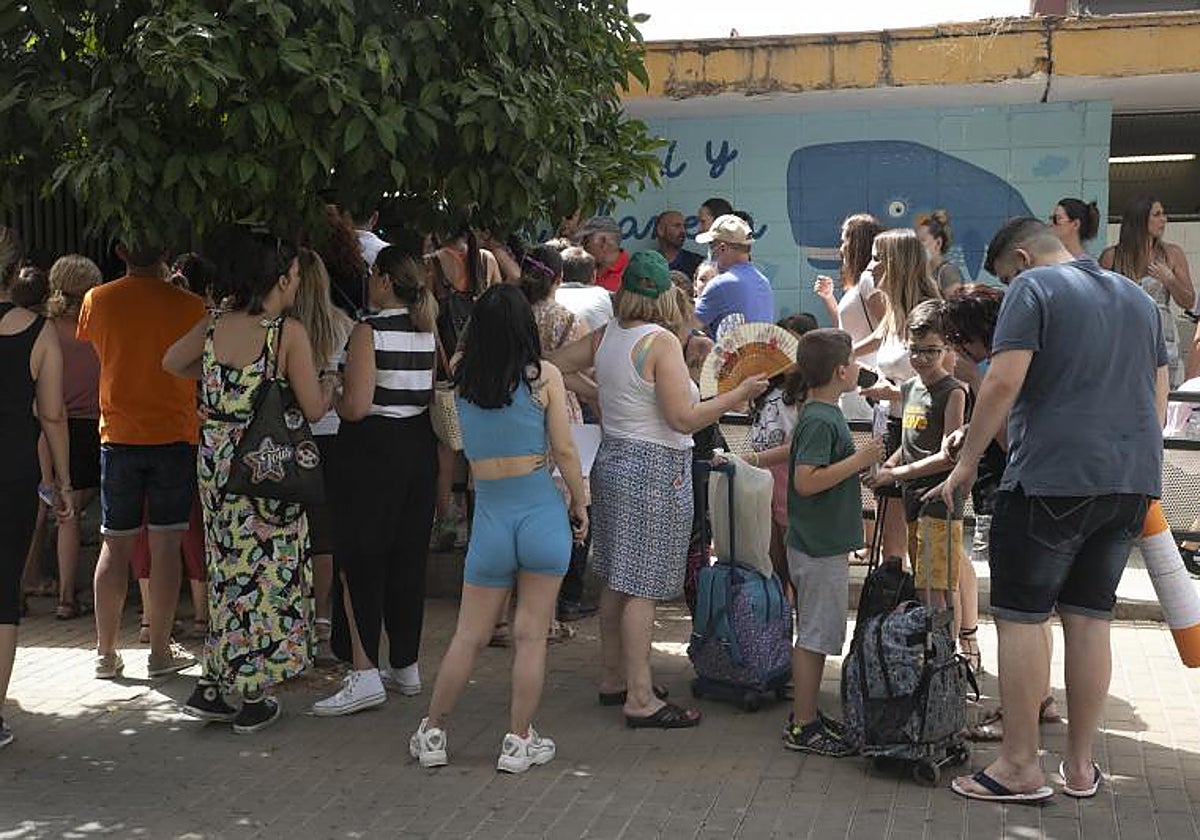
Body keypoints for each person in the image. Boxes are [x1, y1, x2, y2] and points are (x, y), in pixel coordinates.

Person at [939, 218, 1165, 803]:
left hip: (1051, 479)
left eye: (1008, 276)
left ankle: (1018, 766)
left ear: (1021, 257)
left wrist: (964, 466)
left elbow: (1002, 384)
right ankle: (1082, 766)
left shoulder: (1034, 289)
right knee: (1090, 619)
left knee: (1021, 617)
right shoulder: (1138, 298)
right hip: (1130, 480)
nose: (1008, 288)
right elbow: (1157, 394)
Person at [548, 251, 768, 728]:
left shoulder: (610, 334)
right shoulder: (660, 342)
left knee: (615, 579)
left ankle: (614, 680)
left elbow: (553, 365)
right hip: (655, 467)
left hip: (612, 461)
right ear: (666, 295)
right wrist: (736, 395)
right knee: (642, 587)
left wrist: (601, 393)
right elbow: (683, 418)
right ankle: (641, 697)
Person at [409, 284, 589, 772]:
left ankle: (433, 732)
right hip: (540, 513)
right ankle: (518, 739)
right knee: (531, 636)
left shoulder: (463, 376)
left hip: (490, 517)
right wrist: (582, 501)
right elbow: (567, 452)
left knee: (468, 634)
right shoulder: (544, 378)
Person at [163, 230, 327, 733]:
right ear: (280, 278)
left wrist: (216, 383)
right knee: (267, 574)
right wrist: (334, 389)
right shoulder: (285, 332)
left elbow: (170, 363)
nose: (298, 282)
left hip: (216, 461)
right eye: (295, 275)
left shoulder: (214, 324)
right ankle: (254, 692)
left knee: (226, 567)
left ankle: (213, 682)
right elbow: (315, 408)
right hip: (264, 463)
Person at [311, 242, 439, 715]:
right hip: (418, 448)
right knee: (407, 558)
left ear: (385, 279)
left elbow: (358, 407)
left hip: (372, 452)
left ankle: (363, 671)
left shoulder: (369, 331)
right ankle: (404, 664)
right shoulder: (426, 328)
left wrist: (336, 389)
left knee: (361, 560)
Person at [79, 239, 206, 680]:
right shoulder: (191, 305)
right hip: (173, 431)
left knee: (114, 544)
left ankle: (105, 652)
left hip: (119, 433)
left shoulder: (98, 299)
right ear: (163, 253)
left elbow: (97, 347)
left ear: (119, 250)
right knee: (167, 543)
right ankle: (158, 653)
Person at [942, 284, 1059, 729]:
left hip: (1014, 492)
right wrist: (972, 430)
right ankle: (1039, 698)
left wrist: (976, 382)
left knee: (1019, 613)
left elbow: (1015, 441)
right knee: (1036, 611)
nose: (955, 350)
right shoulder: (1017, 360)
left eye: (957, 339)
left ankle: (1021, 711)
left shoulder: (1000, 367)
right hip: (1024, 490)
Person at [783, 328, 883, 755]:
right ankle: (803, 724)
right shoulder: (821, 418)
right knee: (816, 634)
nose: (858, 367)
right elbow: (806, 482)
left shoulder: (822, 412)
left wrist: (852, 466)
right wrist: (859, 460)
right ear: (842, 371)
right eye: (853, 361)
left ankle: (806, 715)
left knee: (819, 632)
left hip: (821, 541)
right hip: (816, 544)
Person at [0, 227, 73, 748]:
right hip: (13, 471)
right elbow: (52, 416)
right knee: (4, 592)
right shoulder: (38, 332)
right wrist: (63, 482)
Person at [870, 301, 967, 611]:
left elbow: (947, 456)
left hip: (939, 500)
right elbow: (911, 438)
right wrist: (891, 462)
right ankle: (928, 649)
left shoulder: (952, 391)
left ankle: (940, 653)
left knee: (934, 588)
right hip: (912, 496)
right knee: (922, 580)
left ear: (947, 348)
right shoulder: (910, 386)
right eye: (915, 350)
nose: (921, 358)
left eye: (931, 351)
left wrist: (896, 473)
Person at [855, 229, 942, 563]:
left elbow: (943, 389)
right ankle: (906, 608)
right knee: (897, 536)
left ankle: (954, 615)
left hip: (923, 434)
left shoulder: (929, 314)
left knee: (933, 541)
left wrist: (887, 391)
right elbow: (864, 346)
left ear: (896, 263)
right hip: (892, 428)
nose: (870, 267)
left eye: (877, 258)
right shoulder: (894, 311)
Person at [290, 248, 354, 664]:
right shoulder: (344, 326)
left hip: (289, 439)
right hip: (333, 438)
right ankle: (321, 619)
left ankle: (292, 618)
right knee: (326, 535)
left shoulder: (280, 329)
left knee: (291, 530)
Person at [42, 255, 103, 619]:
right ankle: (83, 596)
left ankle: (58, 595)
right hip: (93, 424)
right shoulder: (98, 326)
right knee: (88, 515)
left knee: (58, 511)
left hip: (54, 427)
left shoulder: (45, 328)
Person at [744, 313, 819, 596]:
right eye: (780, 345)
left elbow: (799, 446)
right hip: (763, 488)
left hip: (792, 488)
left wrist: (755, 460)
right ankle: (778, 636)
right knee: (772, 568)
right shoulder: (765, 390)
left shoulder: (810, 395)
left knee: (797, 571)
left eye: (795, 346)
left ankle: (802, 635)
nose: (787, 354)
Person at [1101, 196, 1194, 388]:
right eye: (1157, 215)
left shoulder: (1172, 254)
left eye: (1163, 214)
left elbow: (1189, 301)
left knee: (1164, 393)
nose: (1164, 220)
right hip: (1124, 335)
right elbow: (1098, 304)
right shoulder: (1113, 257)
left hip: (1161, 334)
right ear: (1140, 219)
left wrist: (1169, 279)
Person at [813, 213, 886, 421]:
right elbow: (847, 330)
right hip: (854, 378)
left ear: (858, 244)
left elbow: (888, 330)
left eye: (845, 240)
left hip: (866, 377)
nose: (841, 247)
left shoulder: (868, 281)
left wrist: (848, 355)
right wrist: (829, 299)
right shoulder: (859, 283)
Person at [693, 215, 774, 339]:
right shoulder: (764, 282)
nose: (709, 252)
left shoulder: (721, 284)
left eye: (710, 245)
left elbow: (689, 327)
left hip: (734, 358)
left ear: (722, 248)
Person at [577, 215, 629, 294]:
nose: (582, 246)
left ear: (603, 242)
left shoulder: (630, 273)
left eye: (586, 241)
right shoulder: (583, 266)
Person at [916, 210, 964, 295]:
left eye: (922, 241)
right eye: (915, 242)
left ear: (938, 243)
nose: (916, 246)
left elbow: (956, 306)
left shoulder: (948, 273)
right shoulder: (922, 272)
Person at [655, 210, 704, 280]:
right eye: (677, 226)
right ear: (660, 230)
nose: (683, 231)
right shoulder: (648, 263)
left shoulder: (697, 263)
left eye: (684, 226)